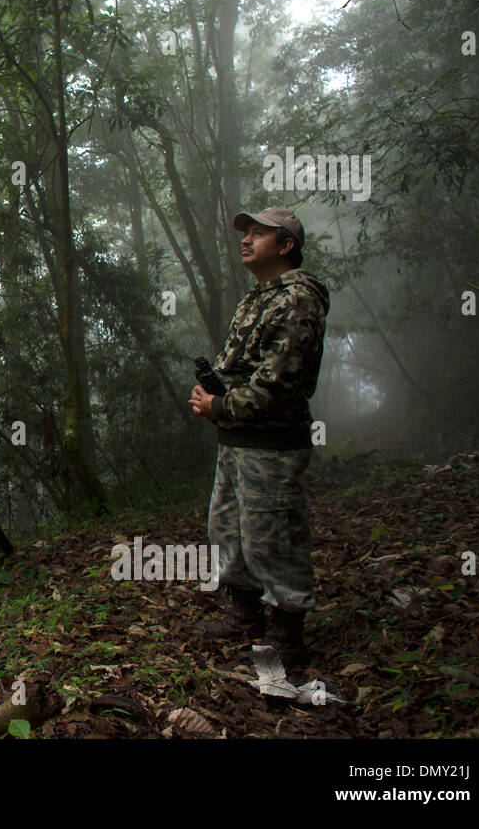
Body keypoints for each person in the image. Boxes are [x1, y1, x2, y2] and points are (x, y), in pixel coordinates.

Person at [188, 206, 329, 670]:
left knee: (273, 540)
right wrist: (212, 393)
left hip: (272, 443)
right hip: (238, 441)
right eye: (245, 233)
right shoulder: (256, 298)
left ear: (286, 246)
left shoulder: (297, 299)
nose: (246, 239)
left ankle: (289, 640)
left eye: (259, 233)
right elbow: (238, 366)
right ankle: (247, 620)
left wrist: (220, 406)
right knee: (227, 530)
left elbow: (278, 383)